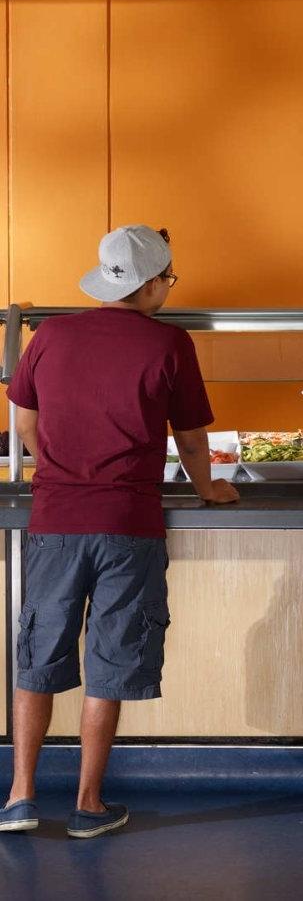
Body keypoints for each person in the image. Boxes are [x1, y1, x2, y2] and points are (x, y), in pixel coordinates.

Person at [0, 225, 238, 838]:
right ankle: (87, 806)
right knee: (108, 662)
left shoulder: (49, 335)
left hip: (55, 520)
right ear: (153, 282)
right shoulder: (170, 345)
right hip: (129, 526)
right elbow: (189, 439)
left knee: (39, 653)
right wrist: (210, 489)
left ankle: (21, 798)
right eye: (169, 278)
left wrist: (54, 464)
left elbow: (23, 419)